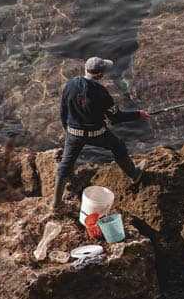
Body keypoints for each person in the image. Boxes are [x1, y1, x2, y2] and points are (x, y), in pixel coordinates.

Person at [52, 56, 150, 210]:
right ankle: (134, 174)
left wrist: (68, 131)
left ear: (86, 69)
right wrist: (138, 114)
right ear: (99, 75)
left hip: (73, 133)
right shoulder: (101, 92)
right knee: (118, 146)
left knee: (65, 164)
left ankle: (55, 203)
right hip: (96, 133)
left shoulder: (70, 85)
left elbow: (63, 112)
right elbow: (116, 118)